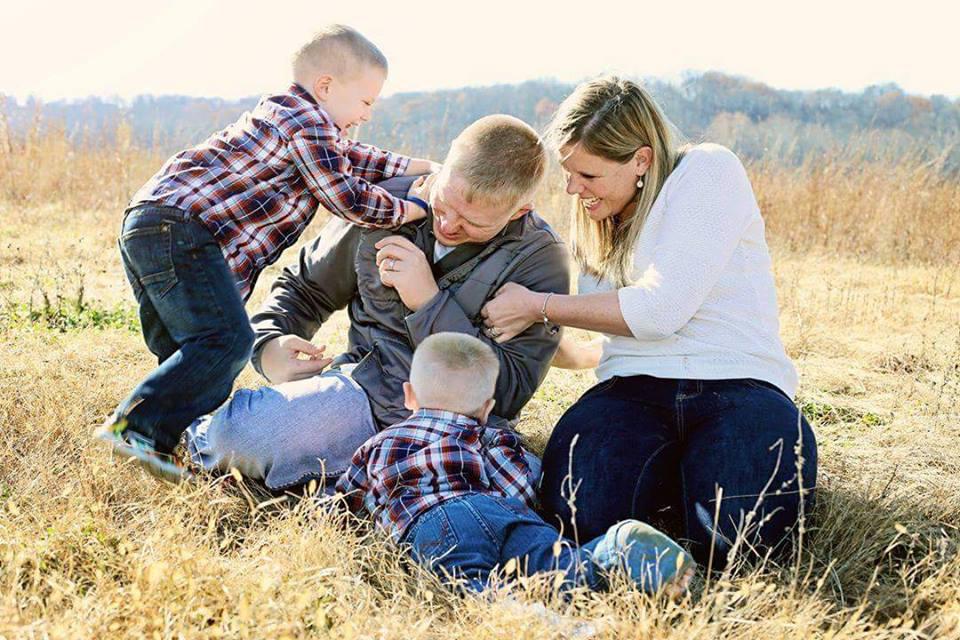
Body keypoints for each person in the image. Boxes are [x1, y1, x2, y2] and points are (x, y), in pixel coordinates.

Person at [480, 77, 818, 568]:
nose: (573, 188)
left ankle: (696, 476)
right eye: (569, 172)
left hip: (737, 383)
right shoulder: (598, 220)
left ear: (641, 160)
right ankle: (673, 478)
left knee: (742, 544)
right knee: (579, 517)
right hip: (631, 389)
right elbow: (619, 333)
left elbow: (659, 311)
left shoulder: (707, 170)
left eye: (588, 175)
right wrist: (523, 334)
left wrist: (538, 305)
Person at [95, 25, 439, 481]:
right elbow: (347, 197)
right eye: (365, 101)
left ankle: (160, 440)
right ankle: (133, 429)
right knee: (227, 341)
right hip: (180, 228)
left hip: (151, 224)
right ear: (326, 87)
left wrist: (429, 168)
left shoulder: (303, 126)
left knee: (185, 351)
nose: (367, 114)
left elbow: (360, 158)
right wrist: (412, 208)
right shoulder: (306, 122)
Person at [185, 115, 570, 494]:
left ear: (519, 211)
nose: (448, 226)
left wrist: (428, 303)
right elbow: (306, 287)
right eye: (443, 204)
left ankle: (351, 481)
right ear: (446, 163)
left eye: (473, 224)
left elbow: (510, 391)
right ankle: (365, 478)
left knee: (530, 487)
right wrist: (269, 342)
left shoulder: (541, 260)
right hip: (362, 396)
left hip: (456, 429)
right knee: (236, 435)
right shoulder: (385, 202)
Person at [336, 332, 695, 594]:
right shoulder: (488, 436)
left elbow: (344, 503)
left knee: (463, 588)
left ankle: (526, 615)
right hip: (499, 512)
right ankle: (613, 551)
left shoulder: (377, 444)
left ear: (409, 395)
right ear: (487, 408)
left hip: (433, 522)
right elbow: (520, 488)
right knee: (557, 567)